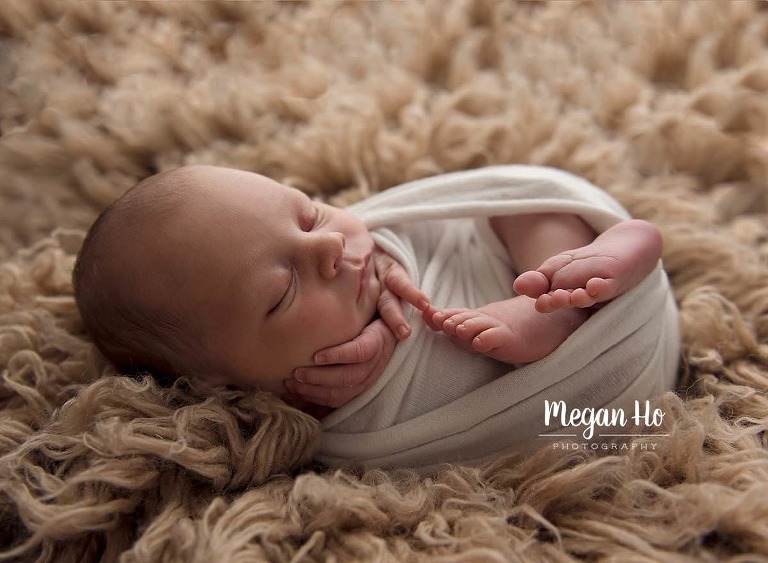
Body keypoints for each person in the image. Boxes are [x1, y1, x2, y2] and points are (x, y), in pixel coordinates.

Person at [73, 165, 660, 410]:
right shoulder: (296, 419)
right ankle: (578, 300)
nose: (329, 248)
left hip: (504, 266)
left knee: (524, 208)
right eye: (282, 292)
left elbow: (414, 233)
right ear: (221, 384)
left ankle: (574, 276)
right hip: (605, 392)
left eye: (308, 214)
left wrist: (389, 276)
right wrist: (384, 367)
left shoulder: (365, 260)